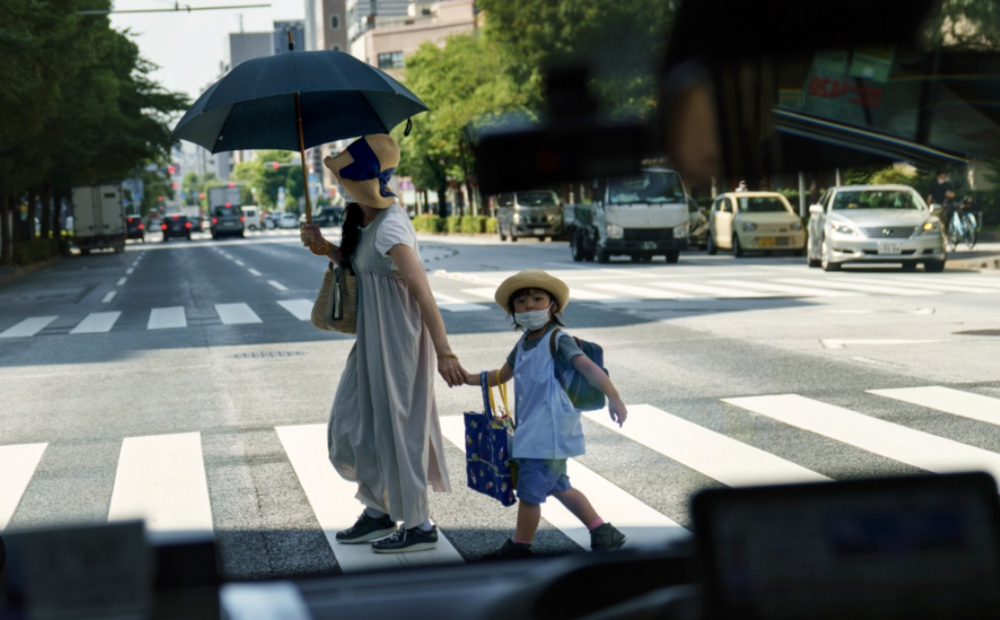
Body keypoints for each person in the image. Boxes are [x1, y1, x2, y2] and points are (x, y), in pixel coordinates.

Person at [300, 134, 468, 554]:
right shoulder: (363, 218)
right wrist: (326, 250)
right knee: (352, 422)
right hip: (373, 337)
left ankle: (419, 524)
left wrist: (445, 351)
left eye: (344, 178)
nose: (339, 185)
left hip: (400, 339)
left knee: (400, 430)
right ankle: (378, 510)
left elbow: (423, 293)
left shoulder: (392, 225)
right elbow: (362, 268)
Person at [463, 269, 629, 558]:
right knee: (559, 486)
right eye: (521, 302)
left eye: (537, 299)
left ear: (553, 306)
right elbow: (501, 375)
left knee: (529, 494)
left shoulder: (557, 339)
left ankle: (519, 547)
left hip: (549, 432)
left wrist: (614, 397)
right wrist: (467, 378)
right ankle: (603, 532)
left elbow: (587, 367)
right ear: (513, 311)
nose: (529, 306)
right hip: (535, 431)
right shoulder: (523, 343)